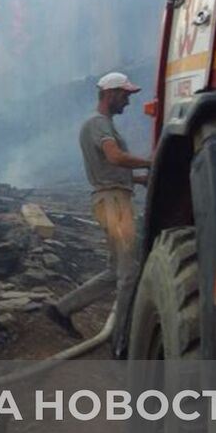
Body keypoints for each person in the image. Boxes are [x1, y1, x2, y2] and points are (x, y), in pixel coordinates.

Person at [79, 71, 152, 341]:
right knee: (129, 273)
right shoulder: (99, 124)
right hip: (113, 202)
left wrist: (140, 179)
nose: (128, 102)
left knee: (115, 271)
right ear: (110, 94)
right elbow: (115, 157)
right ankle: (122, 338)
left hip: (111, 197)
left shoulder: (101, 123)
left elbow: (110, 167)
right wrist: (150, 162)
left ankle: (62, 309)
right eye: (125, 95)